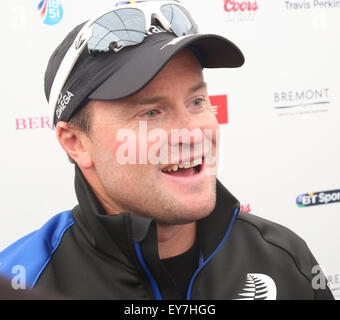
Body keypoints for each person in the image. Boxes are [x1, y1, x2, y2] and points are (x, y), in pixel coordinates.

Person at [0, 1, 334, 300]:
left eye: (197, 101)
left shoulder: (283, 256)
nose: (192, 133)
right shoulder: (22, 281)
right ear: (76, 142)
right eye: (150, 113)